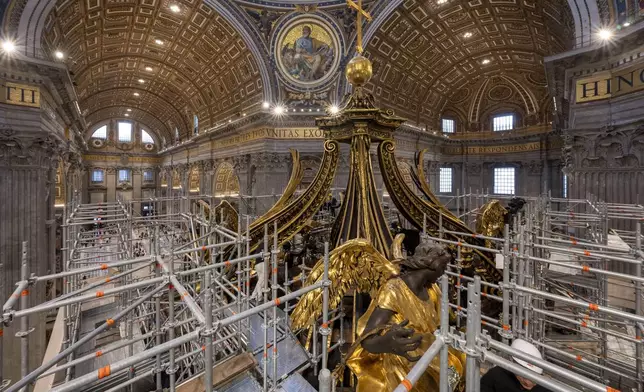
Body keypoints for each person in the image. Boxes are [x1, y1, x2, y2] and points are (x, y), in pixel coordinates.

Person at [345, 240, 465, 392]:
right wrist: (387, 342)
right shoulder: (394, 290)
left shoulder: (432, 289)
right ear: (433, 264)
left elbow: (440, 324)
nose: (443, 272)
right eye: (443, 267)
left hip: (429, 352)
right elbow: (367, 340)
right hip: (404, 362)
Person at [481, 339, 551, 391]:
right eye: (524, 375)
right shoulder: (495, 377)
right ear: (513, 363)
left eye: (534, 378)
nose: (528, 382)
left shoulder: (544, 387)